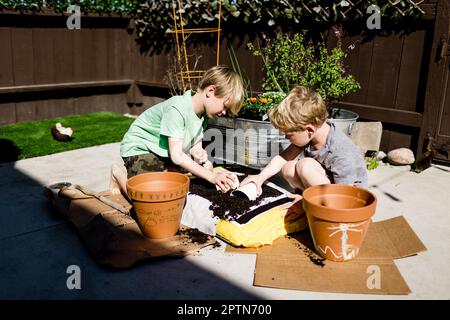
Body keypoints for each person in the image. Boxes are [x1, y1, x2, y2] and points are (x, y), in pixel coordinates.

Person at [109, 65, 243, 195]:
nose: (224, 112)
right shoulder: (178, 108)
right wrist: (211, 177)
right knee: (148, 197)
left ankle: (162, 170)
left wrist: (201, 156)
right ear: (210, 91)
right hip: (141, 147)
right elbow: (177, 155)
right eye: (225, 106)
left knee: (192, 176)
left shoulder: (203, 115)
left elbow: (195, 147)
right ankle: (117, 173)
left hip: (163, 151)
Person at [240, 86, 368, 219]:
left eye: (289, 134)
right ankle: (310, 201)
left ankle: (313, 206)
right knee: (288, 167)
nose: (286, 137)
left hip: (349, 201)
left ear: (310, 130)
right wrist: (261, 177)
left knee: (305, 165)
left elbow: (346, 195)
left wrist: (305, 203)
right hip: (327, 190)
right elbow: (283, 158)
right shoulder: (311, 136)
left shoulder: (341, 151)